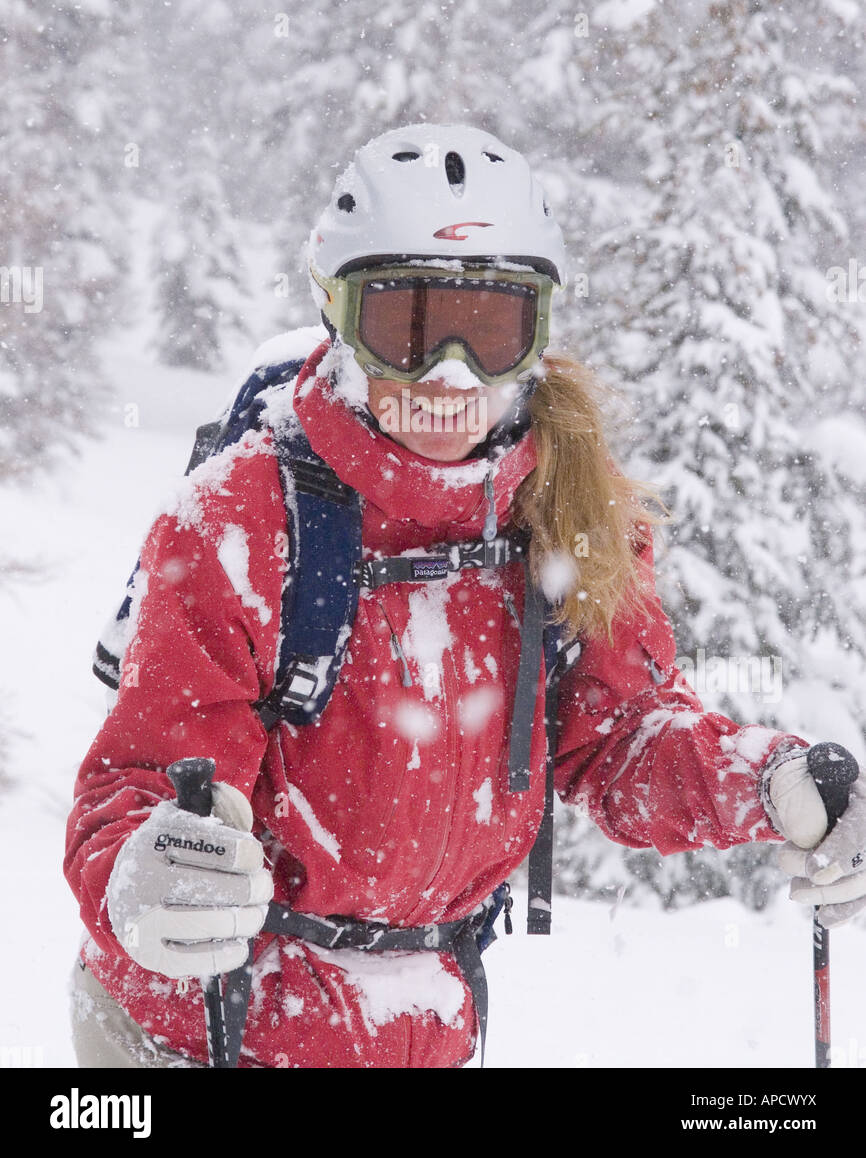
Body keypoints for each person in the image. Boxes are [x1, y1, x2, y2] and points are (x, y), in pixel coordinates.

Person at [65, 123, 866, 1069]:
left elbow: (616, 741)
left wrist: (768, 783)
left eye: (490, 329)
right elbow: (138, 782)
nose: (447, 374)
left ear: (536, 335)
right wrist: (141, 876)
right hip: (207, 1026)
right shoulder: (240, 522)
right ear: (336, 314)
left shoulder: (565, 506)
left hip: (431, 1028)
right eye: (403, 323)